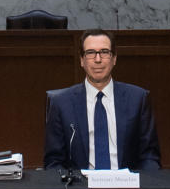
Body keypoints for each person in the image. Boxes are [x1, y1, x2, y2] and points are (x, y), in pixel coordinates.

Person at [44, 29, 161, 171]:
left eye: (104, 52)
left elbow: (150, 157)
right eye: (91, 53)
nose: (98, 59)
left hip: (127, 188)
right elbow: (53, 162)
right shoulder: (61, 103)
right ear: (82, 60)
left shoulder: (138, 99)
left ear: (114, 59)